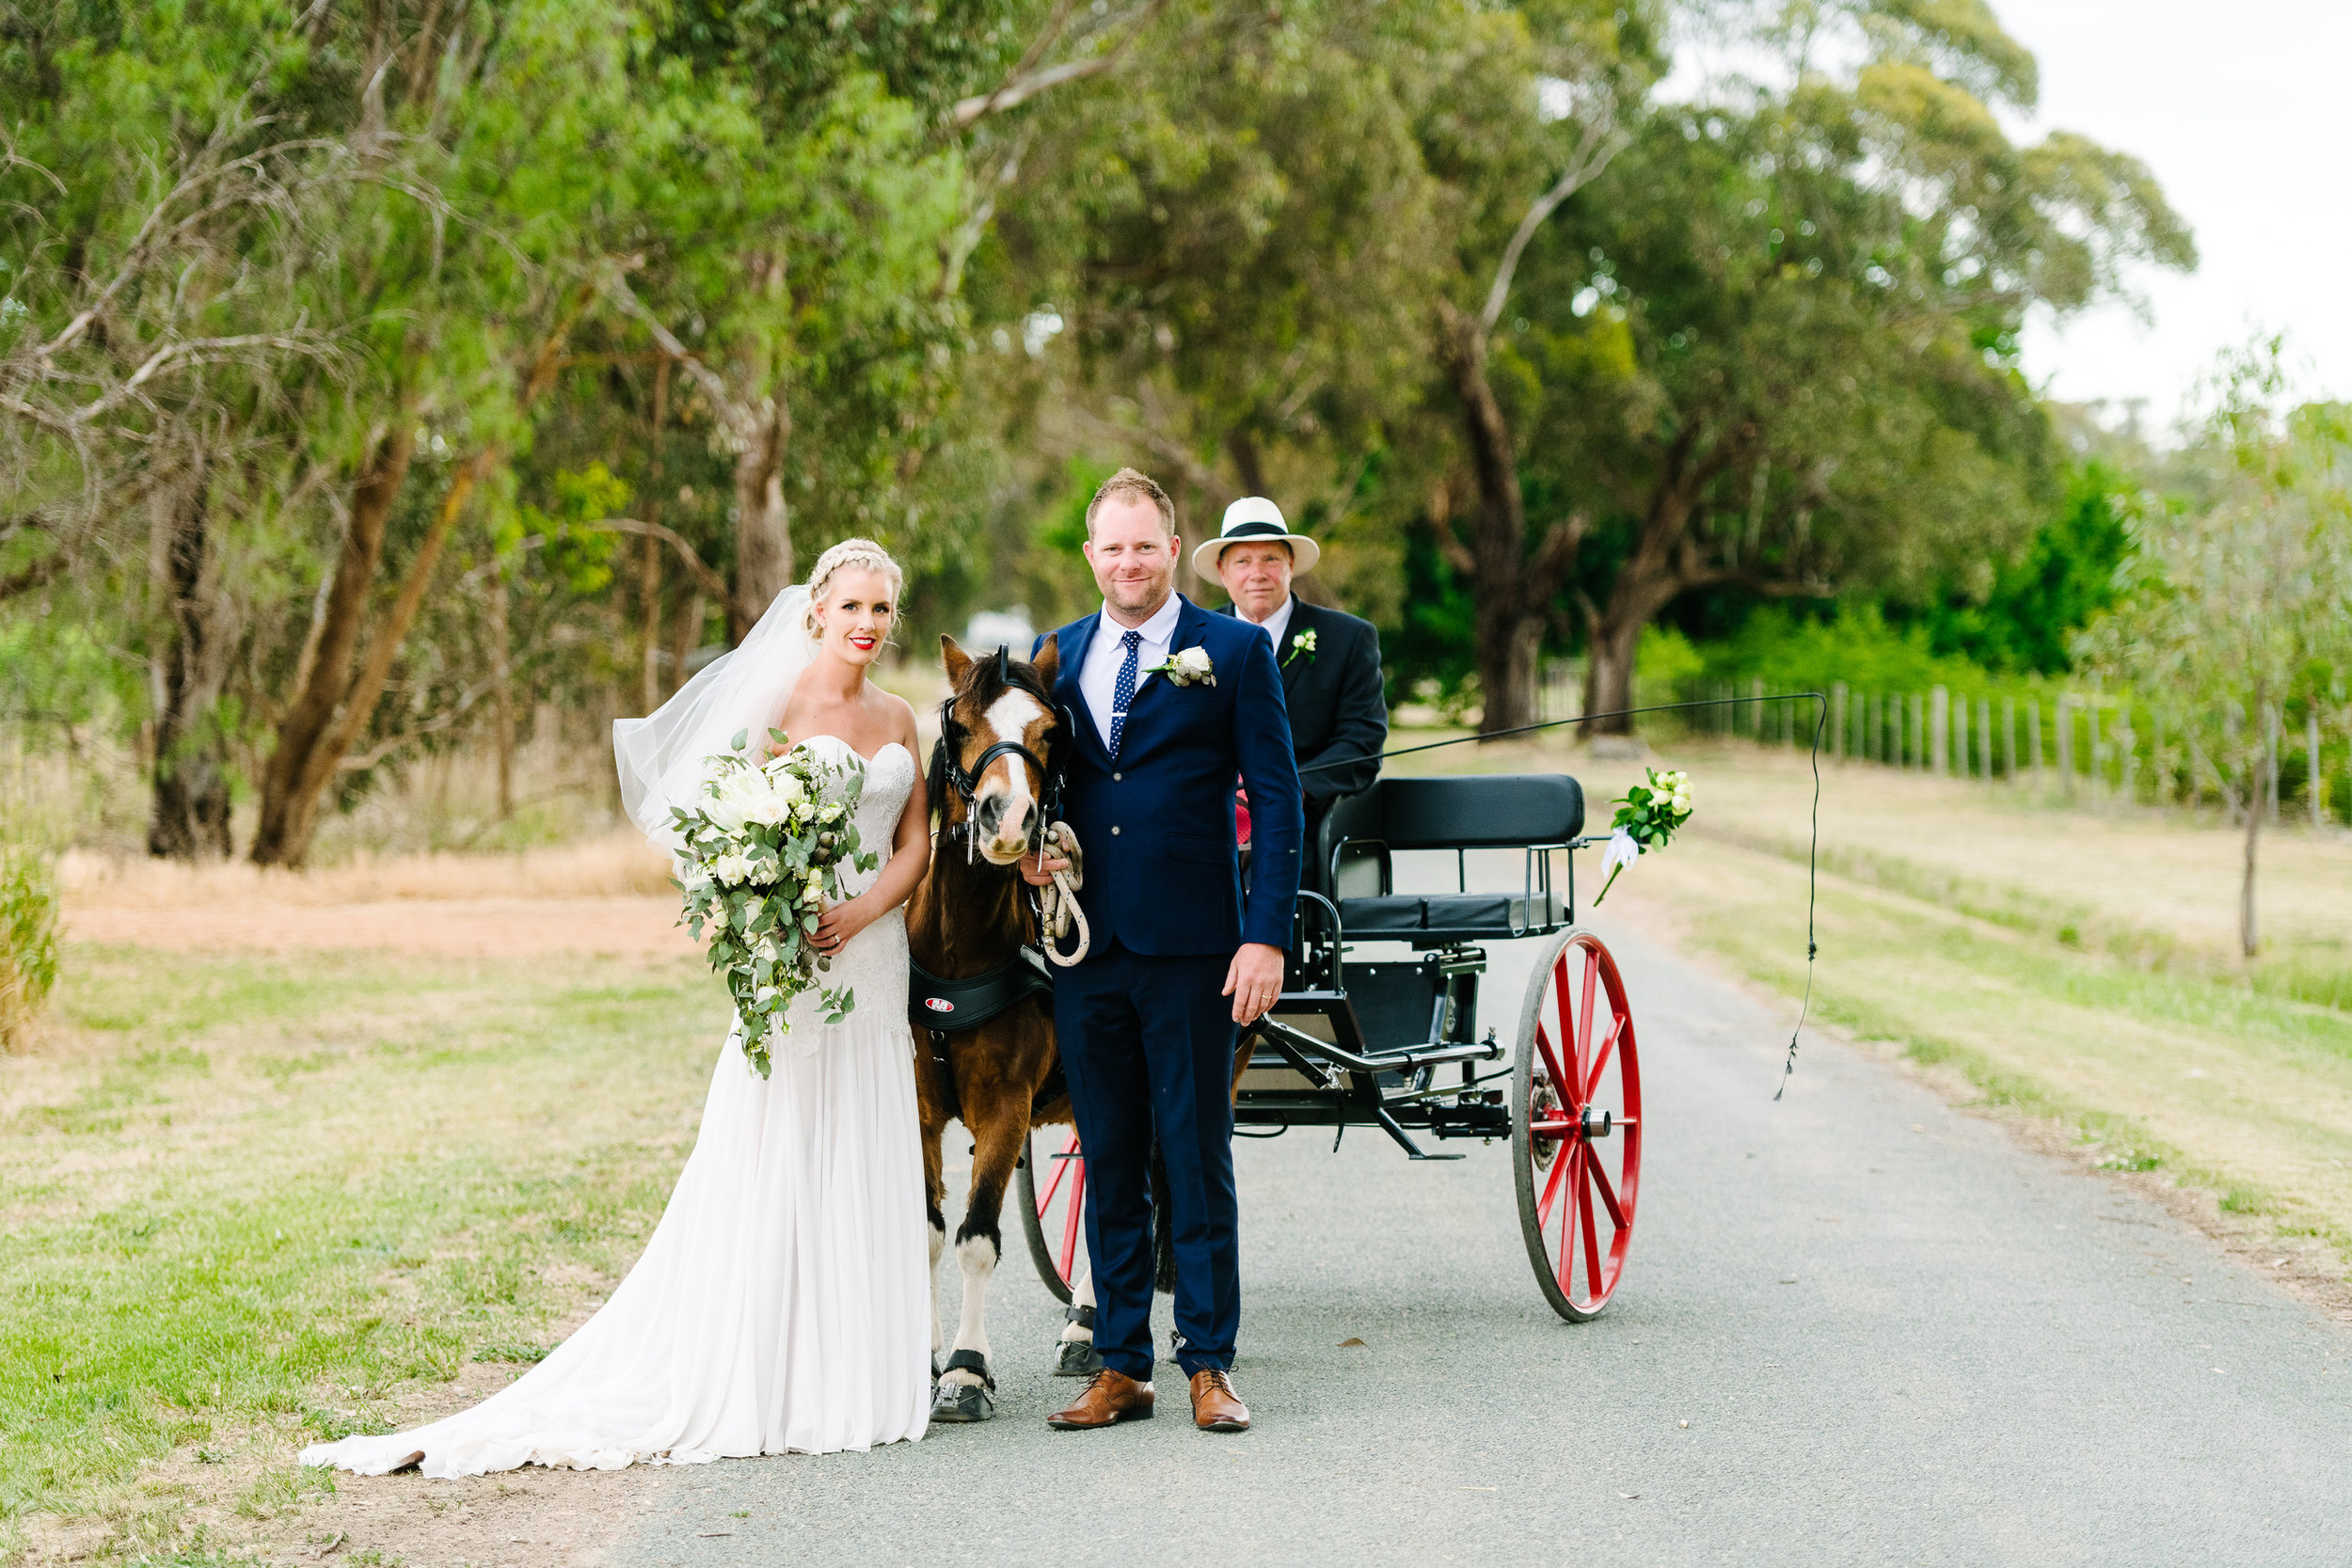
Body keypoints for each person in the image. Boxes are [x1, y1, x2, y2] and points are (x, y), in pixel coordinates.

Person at [300, 540, 933, 1477]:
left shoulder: (898, 717)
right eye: (852, 608)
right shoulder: (780, 706)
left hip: (873, 954)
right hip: (797, 958)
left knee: (862, 1132)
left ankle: (856, 1368)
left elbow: (914, 842)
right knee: (787, 1139)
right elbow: (733, 821)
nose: (868, 626)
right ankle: (771, 1366)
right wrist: (787, 911)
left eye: (881, 609)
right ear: (817, 611)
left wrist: (865, 908)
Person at [1020, 467, 1302, 1435]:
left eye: (1145, 545)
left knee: (1194, 1152)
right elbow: (1039, 787)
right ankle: (1120, 1365)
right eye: (1112, 546)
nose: (1129, 561)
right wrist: (1031, 852)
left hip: (1194, 946)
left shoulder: (1227, 650)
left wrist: (1263, 933)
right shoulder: (1052, 654)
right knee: (1106, 1149)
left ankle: (1209, 1362)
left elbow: (1275, 794)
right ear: (1090, 555)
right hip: (1087, 947)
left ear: (1171, 551)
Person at [1196, 497, 1387, 871]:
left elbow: (1361, 742)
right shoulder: (1191, 641)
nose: (1258, 573)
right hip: (1205, 823)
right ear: (1222, 570)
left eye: (1270, 559)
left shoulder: (1349, 639)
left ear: (1290, 564)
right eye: (1242, 561)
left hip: (1304, 831)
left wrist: (1289, 790)